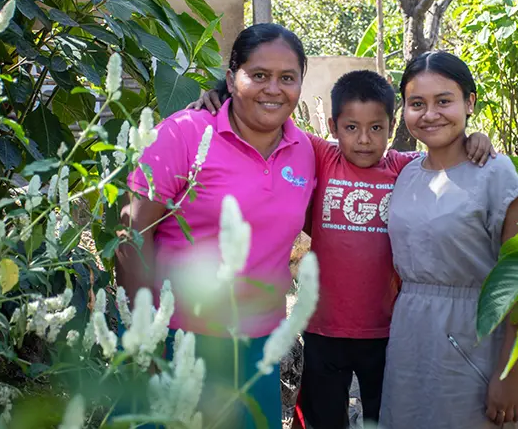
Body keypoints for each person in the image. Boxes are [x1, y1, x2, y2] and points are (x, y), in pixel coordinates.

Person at [190, 70, 495, 428]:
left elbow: (447, 157)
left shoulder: (404, 168)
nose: (364, 140)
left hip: (385, 332)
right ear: (334, 127)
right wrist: (219, 97)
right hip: (323, 330)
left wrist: (476, 138)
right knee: (323, 419)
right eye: (351, 128)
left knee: (382, 418)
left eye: (376, 128)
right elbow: (267, 116)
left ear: (392, 125)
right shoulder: (319, 155)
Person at [117, 23, 314, 428]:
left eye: (287, 78)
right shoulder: (183, 135)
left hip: (256, 350)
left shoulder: (306, 150)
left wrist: (471, 147)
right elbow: (131, 236)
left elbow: (368, 162)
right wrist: (144, 343)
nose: (273, 89)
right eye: (259, 75)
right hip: (175, 341)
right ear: (231, 78)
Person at [380, 51, 518, 429]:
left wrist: (509, 375)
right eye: (417, 104)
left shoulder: (499, 177)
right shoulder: (406, 173)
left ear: (469, 103)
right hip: (409, 339)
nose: (430, 114)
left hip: (473, 339)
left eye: (444, 101)